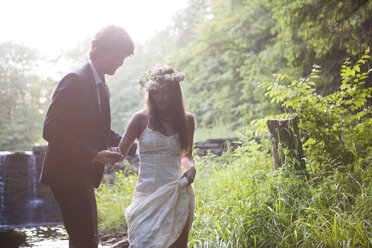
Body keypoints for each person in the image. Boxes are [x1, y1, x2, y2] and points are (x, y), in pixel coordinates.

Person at [39, 25, 134, 248]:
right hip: (66, 176)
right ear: (99, 50)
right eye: (117, 56)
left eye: (123, 58)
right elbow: (51, 130)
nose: (120, 62)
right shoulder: (74, 80)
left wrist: (131, 143)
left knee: (85, 239)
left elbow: (103, 131)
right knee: (86, 240)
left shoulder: (102, 85)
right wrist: (94, 155)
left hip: (82, 173)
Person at [112, 65, 196, 247]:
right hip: (147, 194)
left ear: (175, 92)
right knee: (143, 243)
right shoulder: (140, 119)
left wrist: (191, 167)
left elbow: (186, 154)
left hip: (176, 192)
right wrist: (97, 151)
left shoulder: (187, 120)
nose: (160, 97)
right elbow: (119, 154)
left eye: (165, 92)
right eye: (155, 92)